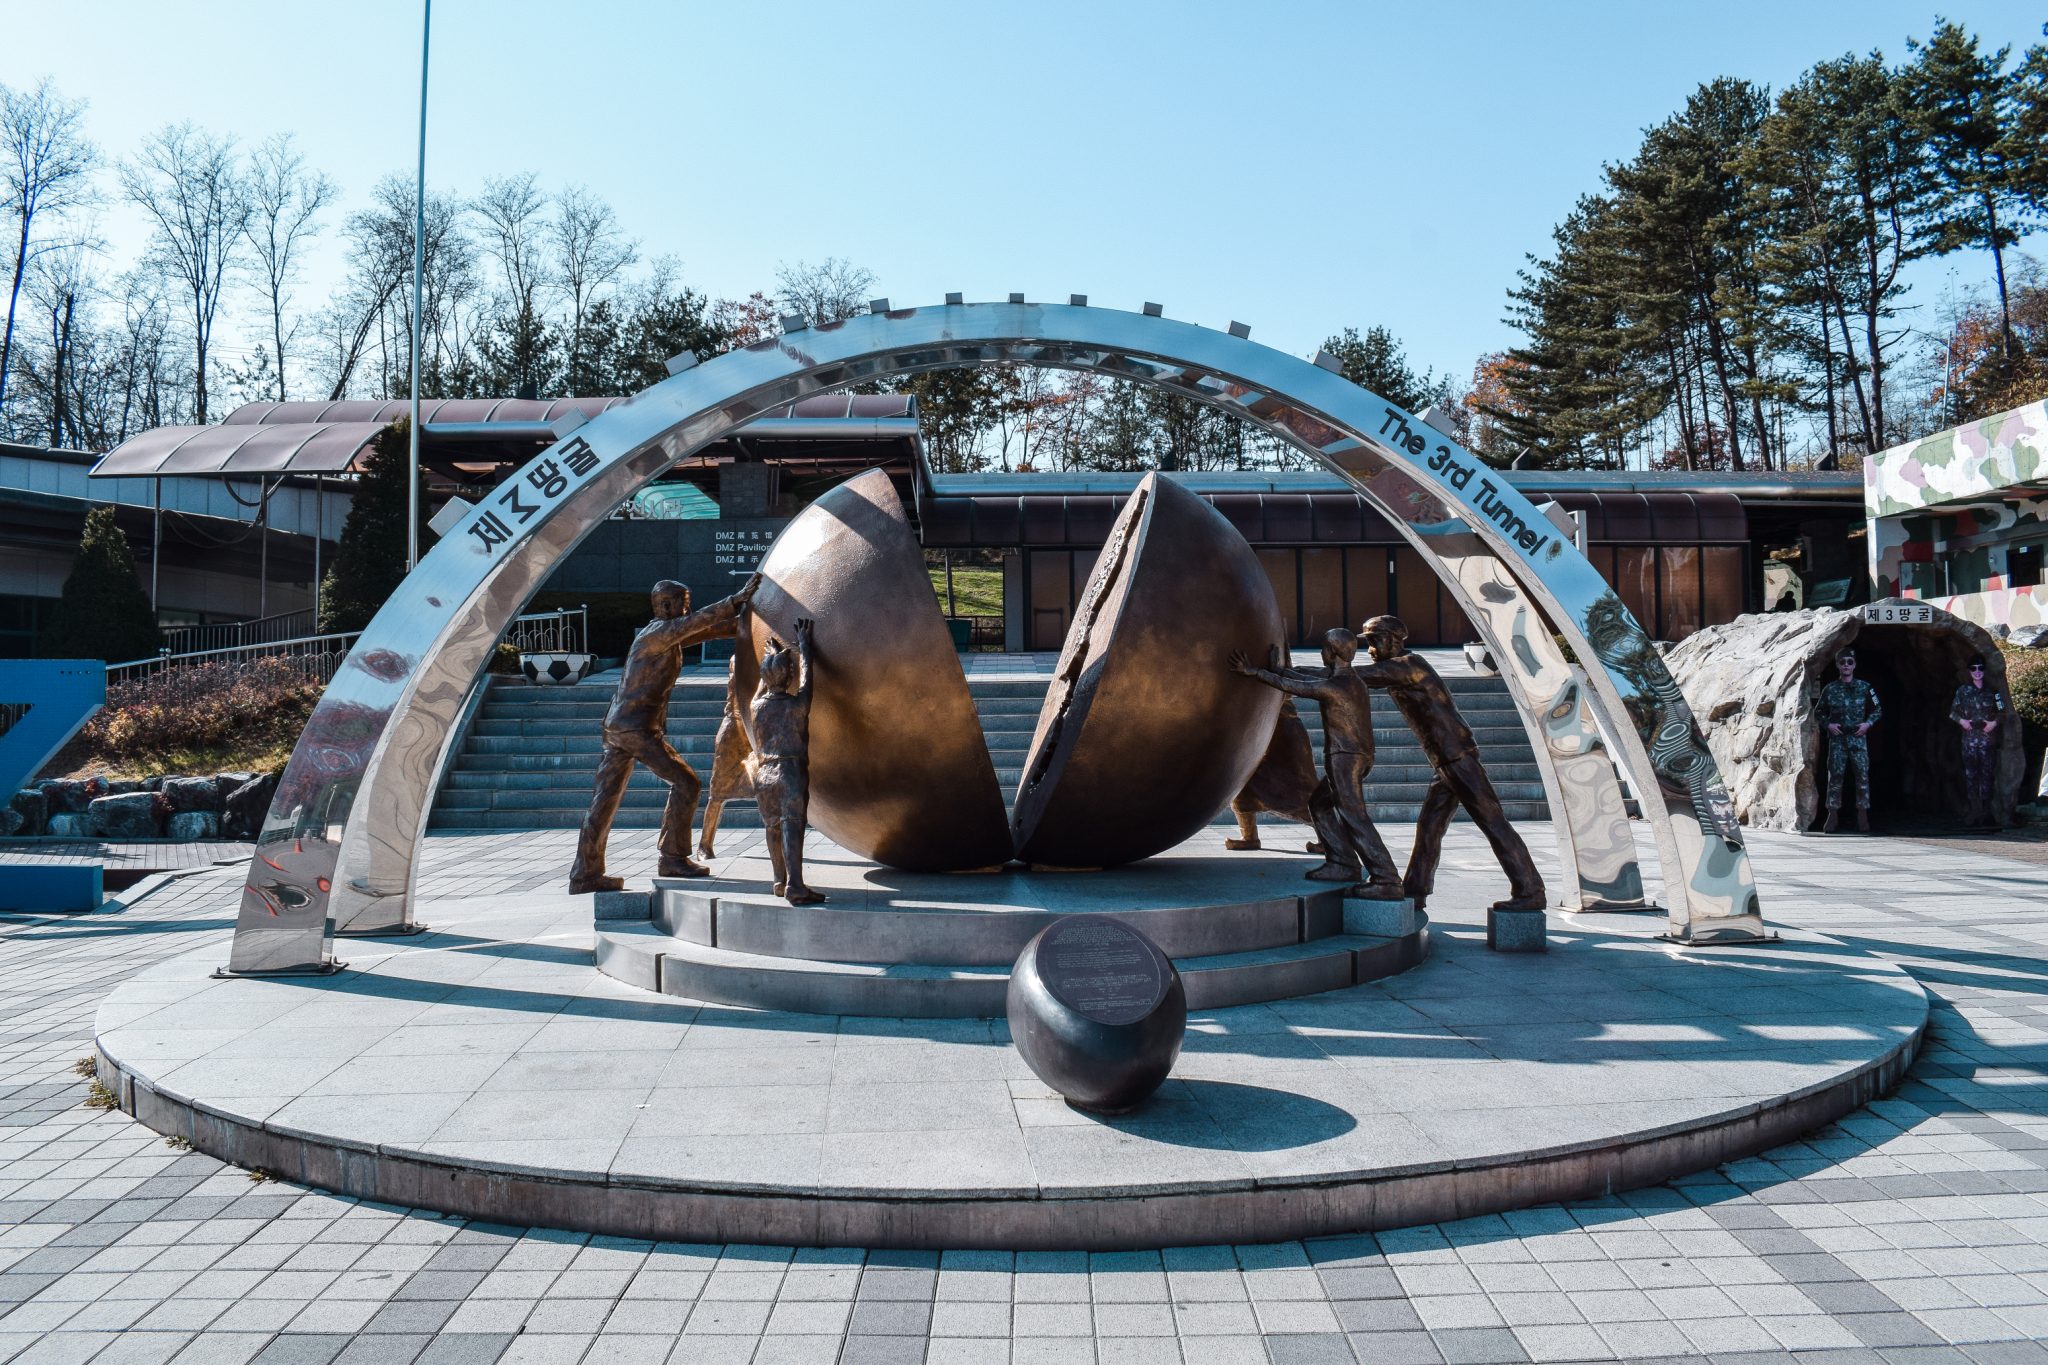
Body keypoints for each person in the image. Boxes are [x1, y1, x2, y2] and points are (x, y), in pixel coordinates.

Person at [568, 573, 761, 894]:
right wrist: (734, 600)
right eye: (683, 605)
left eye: (689, 606)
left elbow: (706, 629)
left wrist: (749, 620)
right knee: (687, 783)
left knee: (604, 800)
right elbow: (696, 622)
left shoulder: (662, 633)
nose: (688, 611)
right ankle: (672, 857)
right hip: (635, 729)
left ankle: (584, 873)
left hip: (620, 726)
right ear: (667, 605)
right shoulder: (658, 634)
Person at [1353, 615, 1546, 914]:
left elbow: (1350, 678)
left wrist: (1286, 672)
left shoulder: (1408, 667)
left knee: (1492, 822)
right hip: (1446, 759)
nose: (1370, 650)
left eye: (1374, 641)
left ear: (1394, 639)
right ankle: (1416, 890)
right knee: (1430, 825)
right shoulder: (1402, 665)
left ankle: (1530, 889)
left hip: (1456, 758)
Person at [1229, 633, 1402, 894]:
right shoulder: (1349, 679)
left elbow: (1301, 687)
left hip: (1345, 758)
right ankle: (1342, 862)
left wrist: (1254, 672)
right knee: (1319, 805)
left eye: (1324, 648)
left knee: (1354, 817)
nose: (1322, 652)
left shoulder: (1334, 687)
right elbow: (1306, 676)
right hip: (1358, 756)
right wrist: (1279, 669)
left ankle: (1386, 879)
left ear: (1331, 652)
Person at [748, 618, 824, 905]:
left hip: (763, 773)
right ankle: (796, 885)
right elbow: (808, 680)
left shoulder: (756, 707)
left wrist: (769, 659)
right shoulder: (797, 705)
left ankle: (779, 879)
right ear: (788, 676)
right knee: (792, 826)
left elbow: (760, 688)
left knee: (772, 827)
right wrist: (804, 648)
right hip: (790, 770)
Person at [1225, 695, 1321, 853]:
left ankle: (1328, 839)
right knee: (1243, 785)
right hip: (1263, 722)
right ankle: (1249, 837)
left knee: (1300, 789)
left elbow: (1286, 687)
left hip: (1283, 728)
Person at [1816, 646, 1881, 833]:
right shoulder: (1830, 689)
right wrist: (1828, 724)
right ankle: (1832, 814)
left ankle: (1862, 815)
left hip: (1858, 739)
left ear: (1854, 665)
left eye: (1849, 662)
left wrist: (1868, 724)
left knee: (1862, 777)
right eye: (1842, 662)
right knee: (1835, 777)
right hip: (1838, 740)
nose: (1846, 665)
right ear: (1837, 665)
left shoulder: (1865, 688)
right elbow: (1818, 711)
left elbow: (1877, 709)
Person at [697, 657, 754, 861]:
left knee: (772, 791)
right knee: (718, 791)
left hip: (759, 722)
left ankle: (782, 845)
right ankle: (705, 844)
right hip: (735, 725)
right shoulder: (739, 657)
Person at [1951, 656, 2006, 830]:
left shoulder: (1993, 692)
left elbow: (2003, 712)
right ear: (1969, 671)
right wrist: (1962, 722)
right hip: (1969, 741)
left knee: (1987, 777)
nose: (1977, 672)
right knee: (1971, 777)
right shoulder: (1962, 691)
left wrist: (1994, 723)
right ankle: (1974, 812)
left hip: (1987, 741)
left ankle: (1986, 813)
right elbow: (1953, 712)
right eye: (1973, 669)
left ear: (1984, 671)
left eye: (1980, 668)